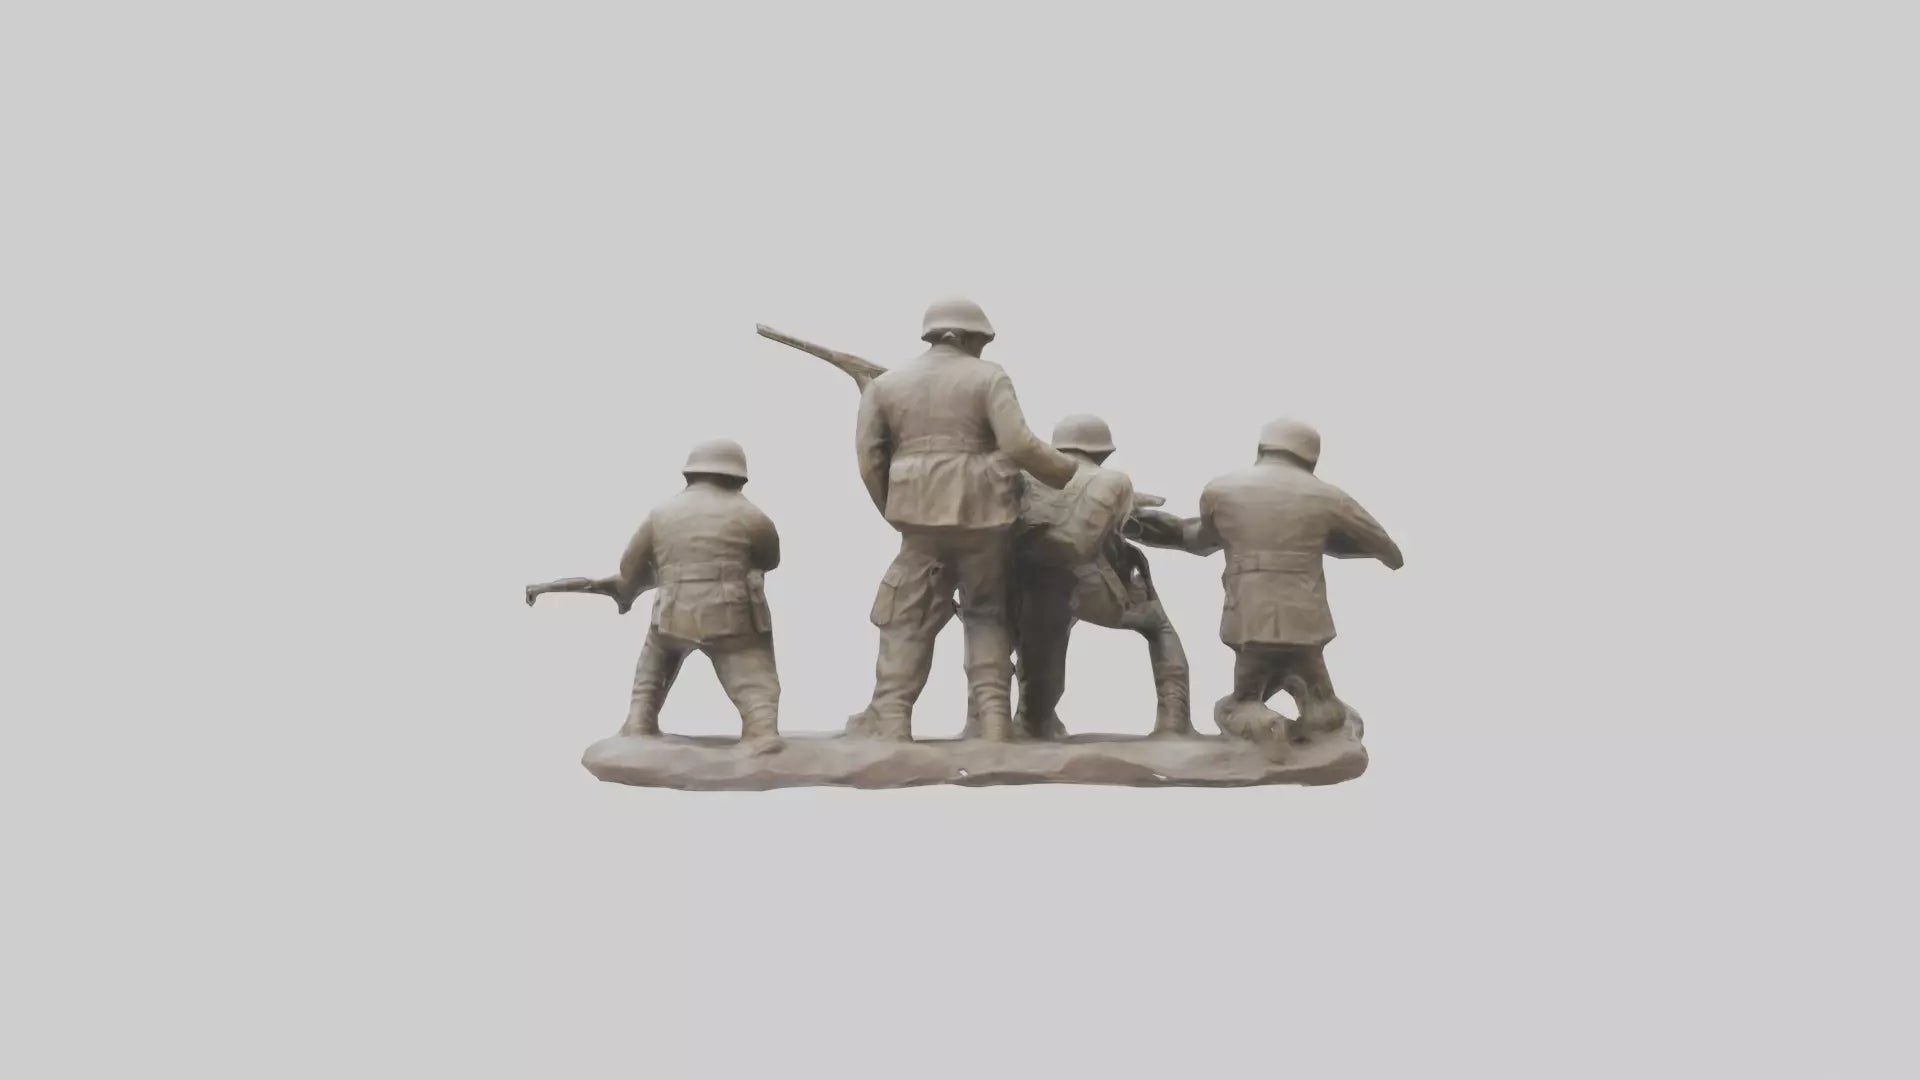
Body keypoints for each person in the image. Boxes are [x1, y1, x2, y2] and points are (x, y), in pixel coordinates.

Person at [848, 298, 1080, 741]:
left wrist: (895, 508)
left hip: (918, 516)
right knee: (986, 613)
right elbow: (1018, 443)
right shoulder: (988, 376)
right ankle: (994, 723)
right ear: (972, 337)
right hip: (984, 515)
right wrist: (1069, 474)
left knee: (906, 614)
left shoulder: (884, 385)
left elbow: (869, 459)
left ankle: (893, 719)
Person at [1140, 419, 1402, 744]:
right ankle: (1320, 722)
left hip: (1250, 616)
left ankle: (1264, 725)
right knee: (1320, 697)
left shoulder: (1221, 491)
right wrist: (1327, 539)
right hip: (1307, 620)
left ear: (1263, 448)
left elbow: (1196, 539)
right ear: (1310, 457)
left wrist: (1138, 524)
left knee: (1242, 700)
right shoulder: (1328, 496)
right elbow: (1386, 549)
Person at [995, 414, 1194, 737]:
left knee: (1033, 640)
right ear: (1104, 451)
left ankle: (1025, 720)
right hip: (1085, 585)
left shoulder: (1025, 475)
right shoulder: (1114, 481)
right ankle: (1174, 721)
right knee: (1157, 626)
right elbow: (1148, 529)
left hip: (1026, 583)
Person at [592, 439, 783, 748]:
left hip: (673, 615)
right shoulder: (753, 516)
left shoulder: (660, 514)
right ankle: (761, 733)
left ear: (690, 473)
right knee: (754, 680)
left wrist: (626, 592)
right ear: (738, 476)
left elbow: (630, 567)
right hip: (733, 617)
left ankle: (639, 721)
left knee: (653, 666)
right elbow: (769, 559)